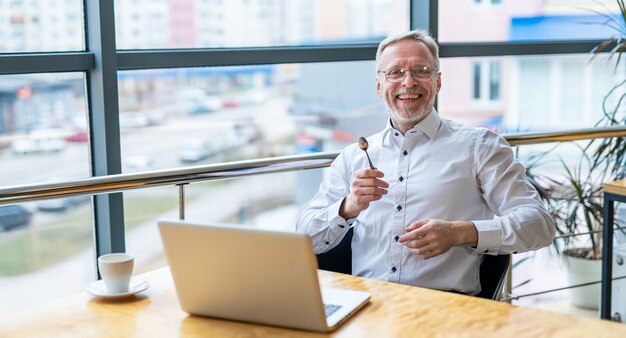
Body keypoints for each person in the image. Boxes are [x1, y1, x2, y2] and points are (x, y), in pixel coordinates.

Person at [295, 29, 556, 295]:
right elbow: (305, 237)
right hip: (367, 305)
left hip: (444, 309)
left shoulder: (480, 147)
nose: (408, 82)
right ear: (379, 86)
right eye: (395, 72)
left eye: (420, 70)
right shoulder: (354, 156)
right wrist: (348, 206)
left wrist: (461, 232)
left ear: (437, 81)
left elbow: (539, 225)